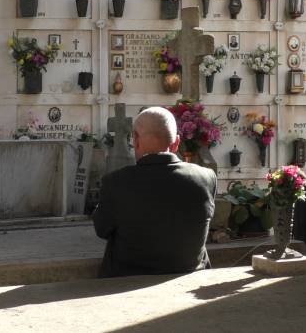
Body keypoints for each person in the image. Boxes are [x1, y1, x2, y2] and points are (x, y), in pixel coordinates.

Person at [93, 107, 217, 278]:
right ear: (176, 142)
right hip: (189, 277)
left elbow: (102, 229)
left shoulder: (116, 182)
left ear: (135, 139)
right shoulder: (206, 177)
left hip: (127, 282)